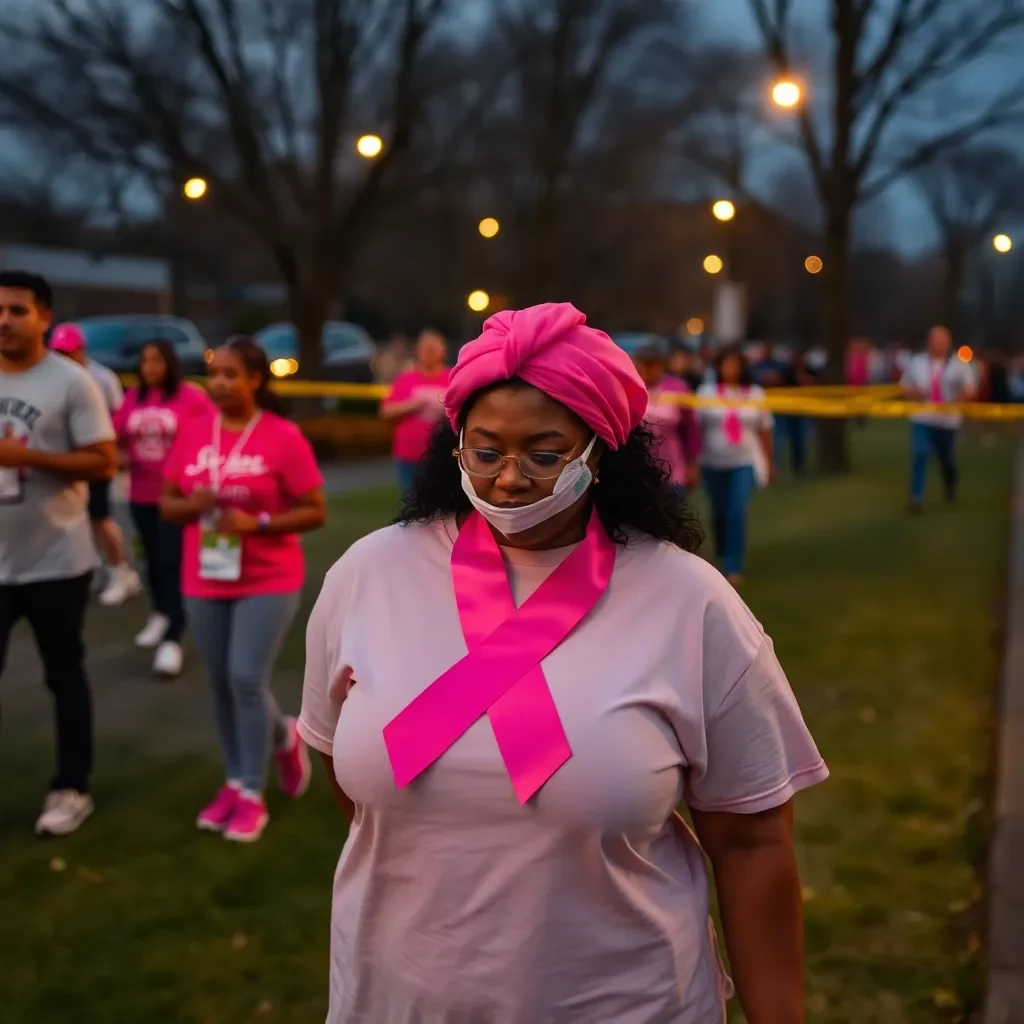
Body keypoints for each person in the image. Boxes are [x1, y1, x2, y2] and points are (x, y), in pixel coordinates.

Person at [299, 302, 827, 1024]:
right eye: (484, 452)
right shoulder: (367, 575)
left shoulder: (689, 603)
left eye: (545, 455)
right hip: (391, 1002)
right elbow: (345, 777)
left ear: (599, 450)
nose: (510, 479)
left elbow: (753, 843)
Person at [161, 336, 326, 842]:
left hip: (267, 576)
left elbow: (315, 510)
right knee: (219, 683)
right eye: (215, 373)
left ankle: (253, 793)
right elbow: (168, 503)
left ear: (256, 380)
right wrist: (194, 506)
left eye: (233, 374)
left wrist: (254, 522)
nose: (221, 383)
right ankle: (242, 772)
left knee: (244, 679)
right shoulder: (193, 433)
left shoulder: (281, 436)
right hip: (204, 573)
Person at [0, 272, 117, 835]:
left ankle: (72, 786)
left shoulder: (72, 382)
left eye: (17, 310)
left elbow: (102, 462)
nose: (4, 320)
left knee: (63, 676)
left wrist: (26, 456)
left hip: (56, 561)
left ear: (44, 317)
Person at [114, 339, 214, 677]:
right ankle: (160, 613)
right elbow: (115, 435)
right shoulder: (132, 399)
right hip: (140, 493)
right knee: (152, 560)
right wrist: (119, 454)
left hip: (176, 496)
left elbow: (211, 435)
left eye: (156, 360)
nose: (149, 367)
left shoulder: (190, 397)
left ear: (170, 364)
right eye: (144, 360)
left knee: (171, 561)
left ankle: (173, 637)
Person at [49, 322, 143, 606]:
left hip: (94, 458)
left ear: (81, 350)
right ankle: (95, 569)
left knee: (99, 517)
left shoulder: (101, 377)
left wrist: (117, 451)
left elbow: (118, 417)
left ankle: (122, 571)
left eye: (69, 351)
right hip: (66, 459)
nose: (65, 357)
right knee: (74, 518)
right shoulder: (54, 376)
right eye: (59, 352)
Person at [697, 346, 774, 586]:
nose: (731, 369)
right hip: (712, 462)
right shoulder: (706, 392)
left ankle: (733, 566)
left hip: (745, 461)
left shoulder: (755, 394)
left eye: (736, 364)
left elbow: (764, 429)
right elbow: (694, 428)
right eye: (726, 364)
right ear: (718, 367)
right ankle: (722, 551)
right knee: (720, 511)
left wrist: (771, 462)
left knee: (736, 510)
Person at [900, 325, 978, 513]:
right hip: (922, 418)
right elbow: (903, 387)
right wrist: (913, 392)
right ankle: (916, 499)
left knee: (947, 459)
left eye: (942, 341)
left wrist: (963, 395)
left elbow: (971, 388)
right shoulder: (916, 362)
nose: (938, 344)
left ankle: (950, 486)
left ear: (948, 342)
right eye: (935, 340)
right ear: (929, 341)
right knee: (920, 454)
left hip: (947, 420)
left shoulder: (959, 364)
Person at [379, 328, 450, 493]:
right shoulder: (405, 379)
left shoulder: (453, 378)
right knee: (412, 506)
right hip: (409, 456)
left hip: (444, 456)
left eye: (433, 348)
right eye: (425, 348)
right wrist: (411, 405)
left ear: (443, 350)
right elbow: (385, 411)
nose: (429, 353)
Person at [634, 344, 701, 498]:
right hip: (638, 471)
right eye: (643, 365)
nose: (647, 370)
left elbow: (691, 429)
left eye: (652, 365)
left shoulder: (678, 389)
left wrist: (692, 465)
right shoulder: (630, 388)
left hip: (673, 470)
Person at [750, 341, 806, 476]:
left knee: (793, 436)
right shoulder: (755, 367)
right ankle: (771, 465)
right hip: (765, 408)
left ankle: (795, 466)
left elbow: (792, 383)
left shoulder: (782, 366)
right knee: (774, 438)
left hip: (784, 407)